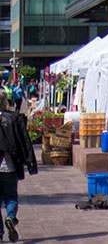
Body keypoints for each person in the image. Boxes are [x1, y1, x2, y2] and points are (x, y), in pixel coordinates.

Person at [0, 90, 37, 241]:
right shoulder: (14, 119)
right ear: (5, 102)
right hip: (10, 167)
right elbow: (24, 141)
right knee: (11, 197)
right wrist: (30, 163)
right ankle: (10, 217)